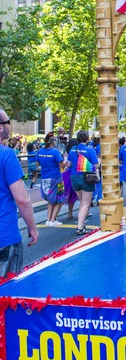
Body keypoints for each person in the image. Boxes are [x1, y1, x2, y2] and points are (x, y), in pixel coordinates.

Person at [0, 108, 38, 277]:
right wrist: (32, 227)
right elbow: (22, 199)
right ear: (1, 127)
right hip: (4, 237)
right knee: (6, 295)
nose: (10, 126)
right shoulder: (6, 155)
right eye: (8, 122)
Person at [67, 130, 99, 236]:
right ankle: (80, 227)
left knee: (82, 202)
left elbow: (69, 164)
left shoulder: (72, 149)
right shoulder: (90, 150)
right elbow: (96, 165)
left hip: (74, 176)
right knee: (86, 203)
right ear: (87, 138)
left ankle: (82, 224)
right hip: (86, 177)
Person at [36, 132, 66, 226]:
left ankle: (48, 220)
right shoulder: (55, 152)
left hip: (45, 178)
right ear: (53, 141)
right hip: (55, 178)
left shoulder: (40, 151)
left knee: (50, 200)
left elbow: (37, 165)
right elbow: (62, 165)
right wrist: (65, 158)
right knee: (60, 199)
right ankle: (53, 220)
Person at [62, 138, 79, 219]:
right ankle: (86, 212)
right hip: (78, 172)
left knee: (70, 196)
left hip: (68, 175)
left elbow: (67, 164)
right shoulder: (78, 151)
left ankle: (70, 213)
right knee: (83, 195)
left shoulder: (68, 152)